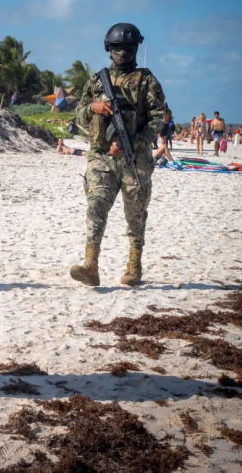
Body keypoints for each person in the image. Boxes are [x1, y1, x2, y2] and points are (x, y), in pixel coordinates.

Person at [69, 22, 167, 288]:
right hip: (101, 157)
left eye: (127, 47)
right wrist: (94, 107)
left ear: (136, 48)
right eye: (116, 47)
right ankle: (91, 265)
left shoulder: (146, 80)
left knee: (135, 215)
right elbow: (78, 116)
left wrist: (132, 144)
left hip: (134, 160)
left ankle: (134, 266)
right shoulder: (97, 80)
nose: (122, 52)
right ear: (108, 48)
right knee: (96, 206)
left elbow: (159, 117)